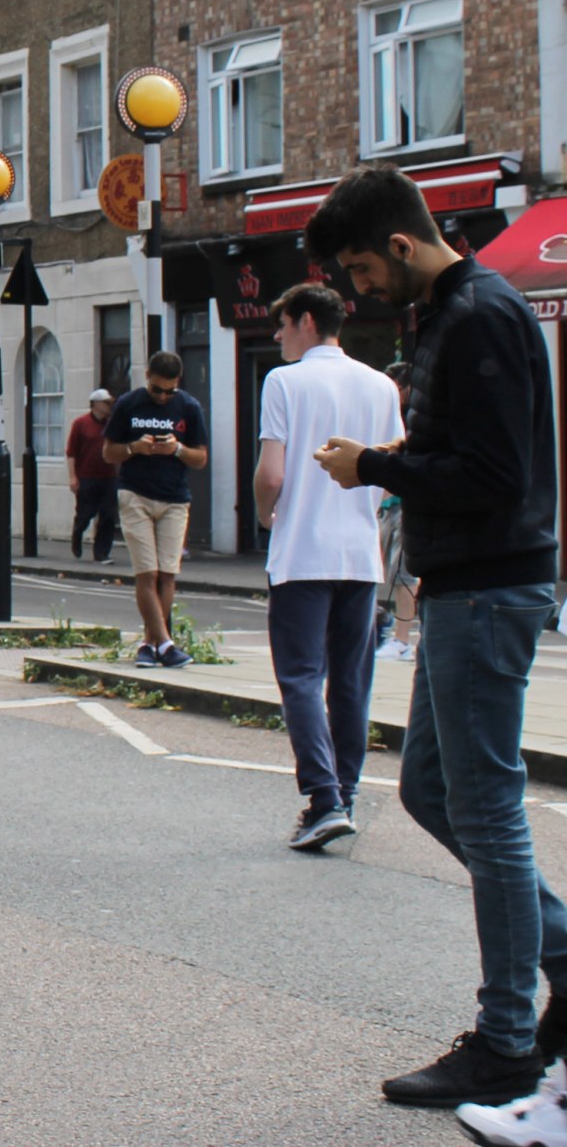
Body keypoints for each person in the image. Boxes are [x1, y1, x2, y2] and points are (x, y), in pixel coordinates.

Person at [308, 167, 566, 1111]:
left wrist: (372, 465)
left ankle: (505, 1045)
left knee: (489, 811)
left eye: (362, 269)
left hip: (489, 593)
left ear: (404, 247)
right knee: (426, 788)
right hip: (469, 588)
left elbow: (492, 472)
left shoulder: (482, 316)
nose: (358, 289)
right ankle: (563, 961)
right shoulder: (450, 314)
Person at [251, 283, 402, 853]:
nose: (277, 335)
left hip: (301, 552)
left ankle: (323, 800)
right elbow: (393, 470)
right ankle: (347, 792)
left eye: (282, 324)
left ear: (307, 321)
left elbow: (271, 475)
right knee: (352, 680)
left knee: (300, 678)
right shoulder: (381, 384)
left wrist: (270, 517)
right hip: (361, 556)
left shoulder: (284, 381)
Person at [102, 351, 209, 668]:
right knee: (147, 573)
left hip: (175, 498)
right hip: (136, 494)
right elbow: (109, 452)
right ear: (147, 376)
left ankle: (150, 645)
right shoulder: (129, 404)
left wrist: (175, 448)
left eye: (169, 391)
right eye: (157, 389)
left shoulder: (188, 406)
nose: (163, 396)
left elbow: (201, 457)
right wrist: (137, 447)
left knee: (167, 574)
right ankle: (165, 643)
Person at [375, 361, 418, 663]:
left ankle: (402, 640)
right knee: (394, 573)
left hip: (403, 504)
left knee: (404, 574)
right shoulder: (395, 416)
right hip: (390, 504)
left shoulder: (413, 421)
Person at [65, 389, 119, 564]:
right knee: (86, 513)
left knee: (108, 515)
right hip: (87, 476)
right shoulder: (81, 424)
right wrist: (73, 477)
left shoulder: (112, 424)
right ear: (95, 404)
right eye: (106, 403)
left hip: (108, 476)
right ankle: (77, 533)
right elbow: (71, 452)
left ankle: (101, 552)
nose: (109, 407)